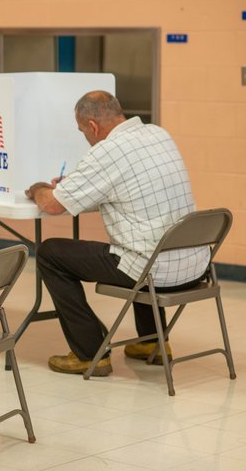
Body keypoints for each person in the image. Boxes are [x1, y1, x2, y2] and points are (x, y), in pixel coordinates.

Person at [25, 90, 209, 376]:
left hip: (153, 272)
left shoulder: (106, 151)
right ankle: (151, 343)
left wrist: (37, 188)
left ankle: (90, 354)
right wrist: (80, 183)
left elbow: (51, 205)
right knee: (143, 238)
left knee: (51, 253)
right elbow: (130, 184)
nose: (85, 137)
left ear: (93, 126)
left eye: (82, 131)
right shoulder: (158, 134)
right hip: (196, 265)